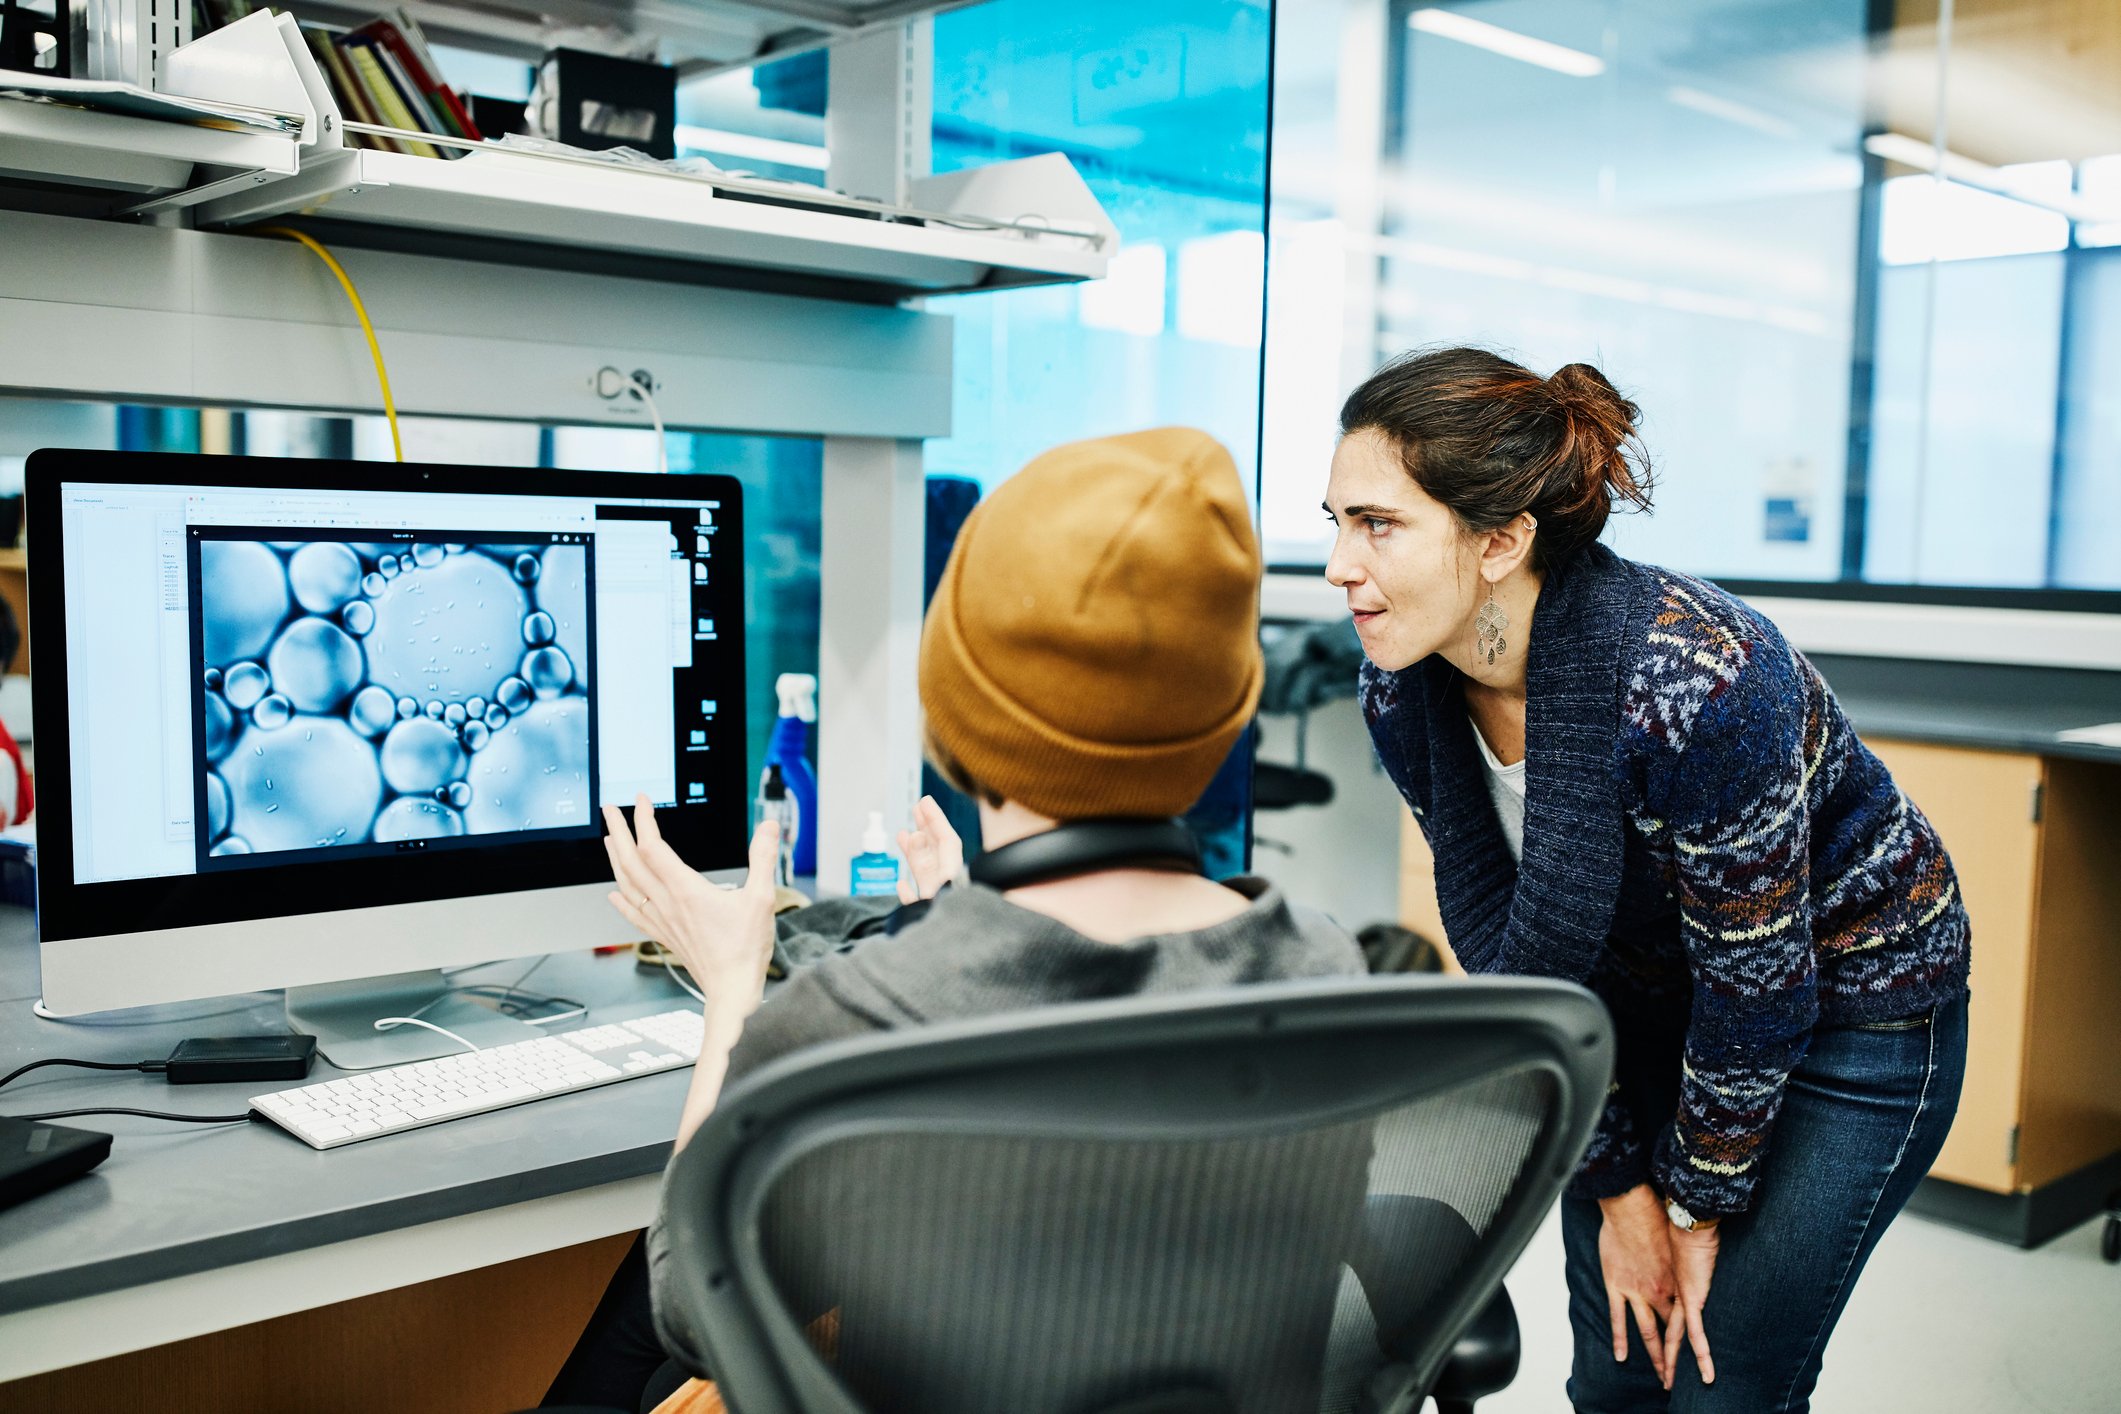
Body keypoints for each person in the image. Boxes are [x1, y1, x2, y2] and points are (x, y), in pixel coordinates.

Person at [544, 427, 1365, 1412]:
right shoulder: (1325, 967)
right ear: (1230, 707)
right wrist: (956, 919)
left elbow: (693, 1304)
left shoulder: (867, 1016)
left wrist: (731, 982)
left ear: (958, 705)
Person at [1324, 346, 1970, 1413]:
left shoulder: (1695, 679)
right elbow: (1526, 966)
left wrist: (1694, 1208)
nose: (1340, 564)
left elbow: (1759, 987)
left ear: (1501, 540)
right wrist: (1621, 1185)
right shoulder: (1402, 690)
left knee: (1723, 1380)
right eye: (1337, 520)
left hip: (1857, 1009)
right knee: (1619, 1375)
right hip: (1646, 1009)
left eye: (1377, 524)